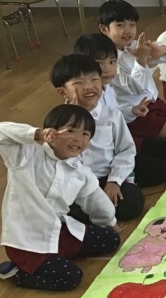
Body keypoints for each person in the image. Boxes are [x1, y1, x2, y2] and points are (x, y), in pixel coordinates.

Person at [0, 105, 121, 290]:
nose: (78, 138)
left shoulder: (80, 171)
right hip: (27, 242)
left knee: (112, 239)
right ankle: (16, 272)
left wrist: (110, 222)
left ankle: (55, 259)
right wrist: (37, 134)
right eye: (71, 131)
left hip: (59, 233)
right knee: (70, 278)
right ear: (51, 131)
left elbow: (96, 201)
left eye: (85, 134)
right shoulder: (25, 156)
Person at [50, 54, 151, 222]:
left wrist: (114, 181)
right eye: (79, 83)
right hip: (76, 184)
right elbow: (56, 162)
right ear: (63, 92)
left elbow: (126, 149)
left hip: (106, 177)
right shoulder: (57, 121)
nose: (89, 87)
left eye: (94, 80)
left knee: (132, 203)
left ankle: (101, 210)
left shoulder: (112, 115)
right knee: (68, 211)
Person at [99, 0, 166, 149]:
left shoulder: (133, 45)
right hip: (135, 113)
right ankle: (137, 140)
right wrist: (141, 60)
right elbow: (136, 88)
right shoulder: (107, 61)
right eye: (120, 25)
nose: (128, 30)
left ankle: (157, 133)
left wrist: (163, 50)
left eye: (132, 25)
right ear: (104, 29)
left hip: (153, 103)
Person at [73, 33, 166, 183]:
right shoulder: (85, 102)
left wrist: (132, 111)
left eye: (112, 62)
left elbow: (115, 115)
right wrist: (117, 177)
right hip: (106, 161)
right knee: (162, 171)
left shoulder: (107, 89)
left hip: (120, 146)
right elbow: (98, 151)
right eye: (99, 63)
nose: (107, 69)